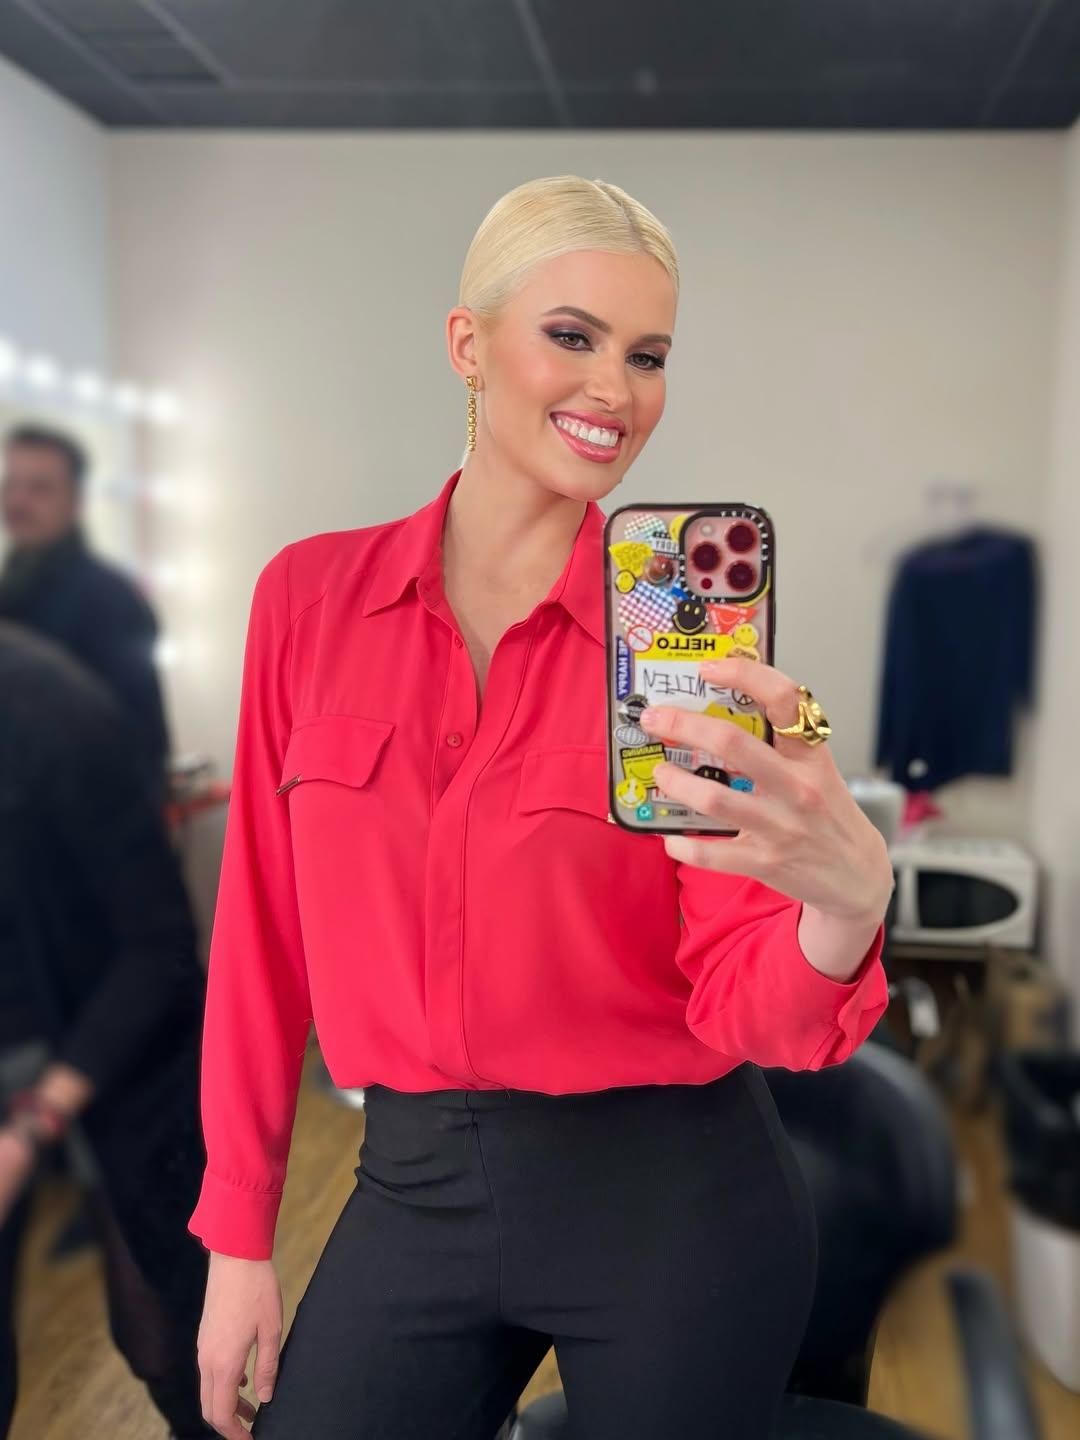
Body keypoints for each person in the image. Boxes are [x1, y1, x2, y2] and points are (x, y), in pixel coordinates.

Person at [192, 175, 894, 1440]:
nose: (615, 390)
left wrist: (847, 910)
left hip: (675, 1205)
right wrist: (239, 1235)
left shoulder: (683, 639)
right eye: (573, 336)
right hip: (413, 1185)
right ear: (469, 344)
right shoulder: (306, 602)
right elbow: (259, 938)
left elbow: (752, 1006)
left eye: (648, 355)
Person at [0, 619, 215, 1438]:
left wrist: (30, 1128)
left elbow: (159, 948)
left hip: (114, 1057)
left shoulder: (53, 709)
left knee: (162, 1337)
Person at [0, 423, 171, 809]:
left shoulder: (111, 601)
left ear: (76, 501)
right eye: (11, 484)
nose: (18, 501)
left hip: (81, 828)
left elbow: (141, 746)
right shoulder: (10, 593)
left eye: (40, 488)